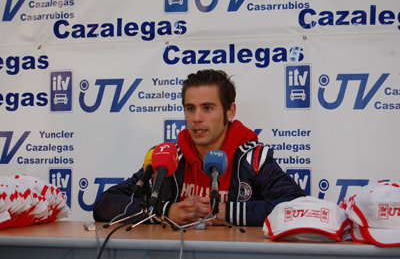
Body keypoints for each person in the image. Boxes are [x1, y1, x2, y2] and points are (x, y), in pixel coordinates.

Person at [93, 69, 305, 226]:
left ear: (230, 111)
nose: (196, 118)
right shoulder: (168, 158)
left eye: (207, 108)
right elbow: (105, 204)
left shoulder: (253, 158)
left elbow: (296, 208)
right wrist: (164, 211)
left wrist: (226, 212)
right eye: (190, 108)